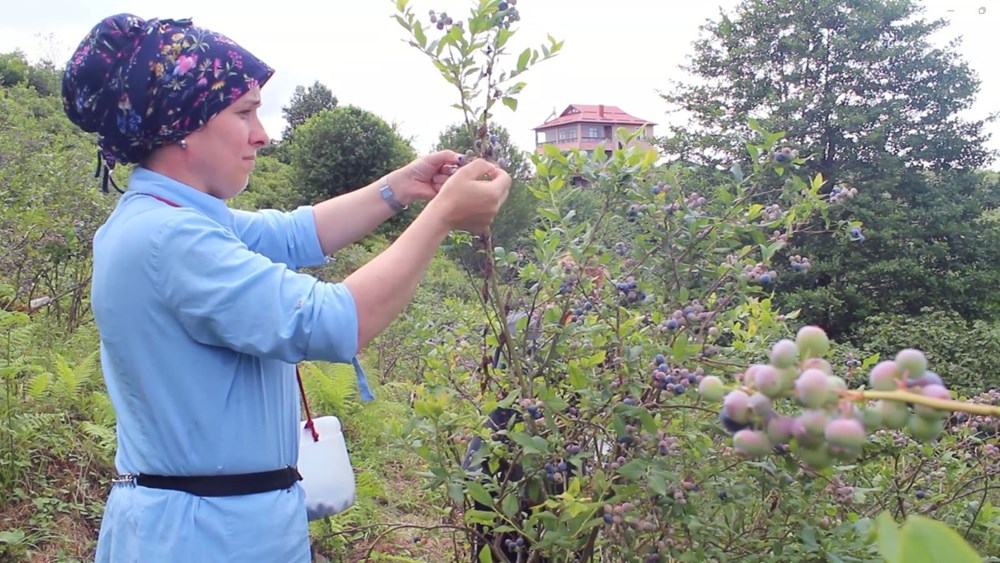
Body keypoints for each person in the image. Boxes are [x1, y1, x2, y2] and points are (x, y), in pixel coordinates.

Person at [60, 13, 511, 563]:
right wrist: (441, 216)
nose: (262, 134)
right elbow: (333, 321)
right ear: (183, 125)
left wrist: (402, 187)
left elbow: (296, 233)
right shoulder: (169, 238)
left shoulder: (168, 219)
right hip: (204, 538)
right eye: (244, 112)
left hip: (215, 525)